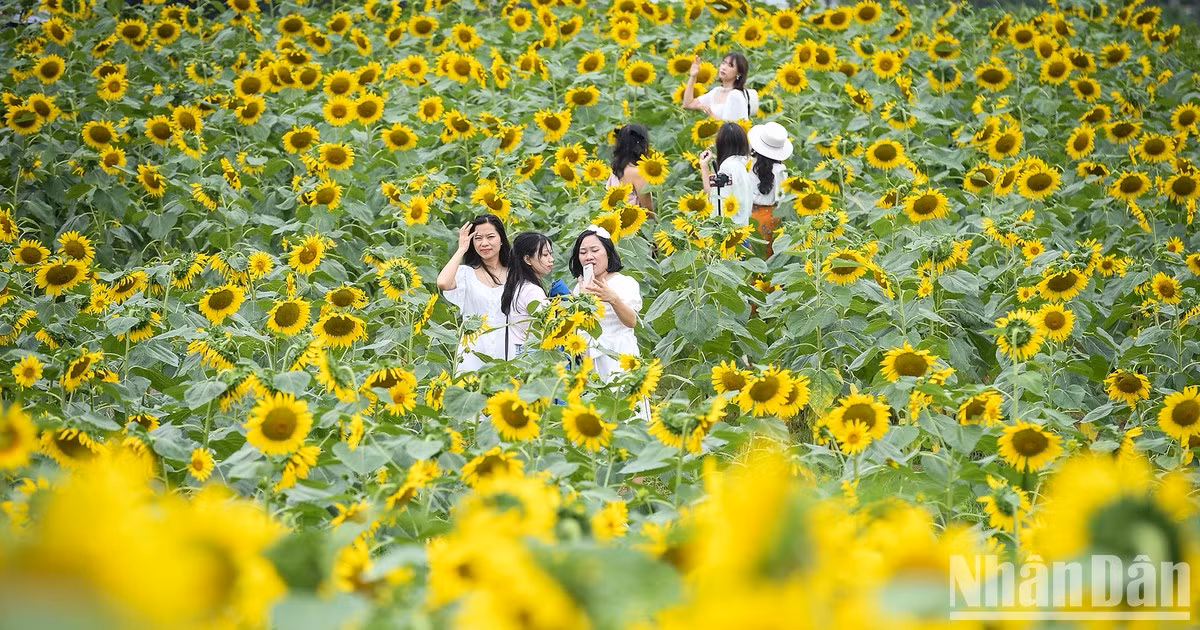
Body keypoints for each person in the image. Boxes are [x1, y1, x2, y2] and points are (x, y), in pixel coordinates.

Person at [436, 214, 511, 373]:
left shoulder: (514, 274)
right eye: (478, 238)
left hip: (506, 352)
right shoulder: (466, 274)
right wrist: (462, 248)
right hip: (472, 353)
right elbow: (443, 282)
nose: (484, 243)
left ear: (501, 239)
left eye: (490, 237)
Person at [569, 226, 641, 379]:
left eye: (595, 250)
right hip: (589, 360)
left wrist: (613, 299)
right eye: (583, 252)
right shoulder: (579, 287)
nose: (589, 256)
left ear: (608, 253)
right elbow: (575, 327)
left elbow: (631, 321)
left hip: (619, 355)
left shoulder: (624, 283)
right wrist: (582, 300)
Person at [500, 232, 560, 357]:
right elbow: (551, 326)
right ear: (527, 259)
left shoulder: (518, 285)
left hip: (519, 351)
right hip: (533, 352)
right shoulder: (532, 291)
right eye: (545, 254)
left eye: (550, 253)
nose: (551, 259)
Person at [748, 121, 794, 255]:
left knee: (750, 257)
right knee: (768, 258)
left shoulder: (747, 163)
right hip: (770, 217)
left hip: (748, 215)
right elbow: (782, 199)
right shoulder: (780, 170)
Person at [699, 122, 755, 227]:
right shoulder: (740, 166)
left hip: (729, 233)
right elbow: (714, 192)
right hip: (741, 231)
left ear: (720, 144)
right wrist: (704, 166)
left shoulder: (727, 167)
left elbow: (719, 203)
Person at [683, 52, 758, 122]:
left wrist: (712, 115)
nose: (724, 67)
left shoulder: (736, 95)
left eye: (730, 66)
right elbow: (688, 104)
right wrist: (693, 76)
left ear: (738, 73)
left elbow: (733, 129)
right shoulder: (717, 91)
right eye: (724, 63)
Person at [607, 124, 655, 214]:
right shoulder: (637, 172)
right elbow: (648, 211)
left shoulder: (616, 169)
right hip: (635, 224)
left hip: (618, 222)